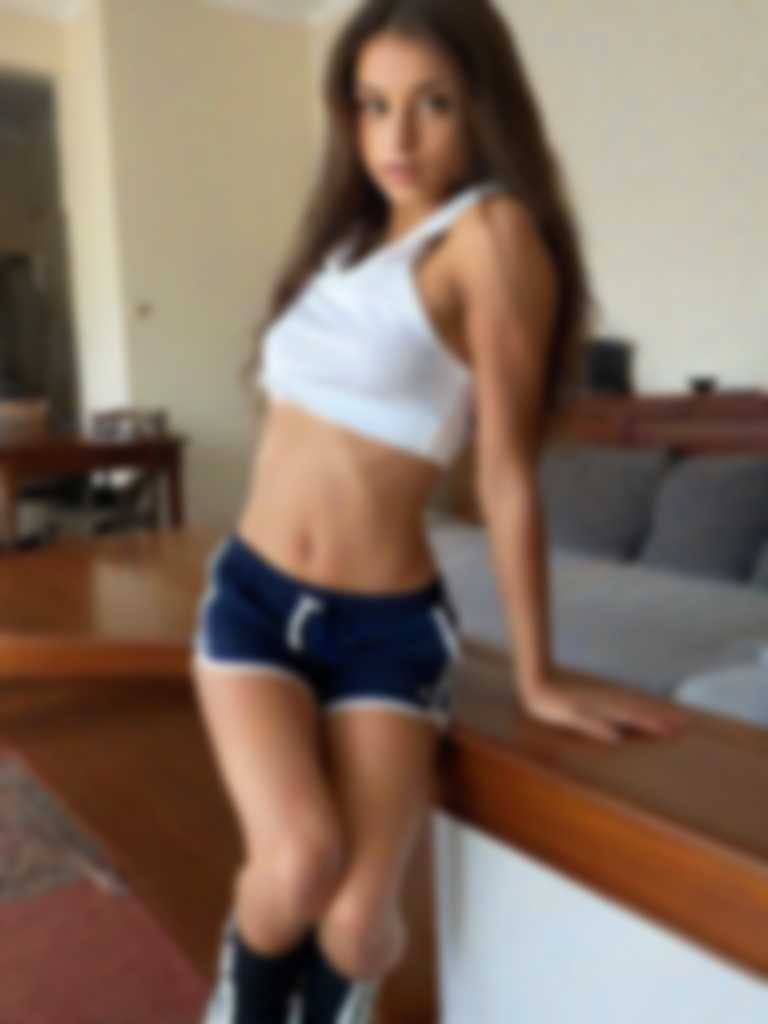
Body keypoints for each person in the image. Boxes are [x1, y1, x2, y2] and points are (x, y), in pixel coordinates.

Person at [190, 2, 687, 1022]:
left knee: (355, 925)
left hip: (385, 625)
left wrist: (538, 675)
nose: (398, 138)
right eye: (374, 105)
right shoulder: (347, 239)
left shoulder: (492, 236)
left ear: (482, 110)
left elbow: (505, 474)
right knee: (298, 861)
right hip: (255, 597)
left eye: (433, 105)